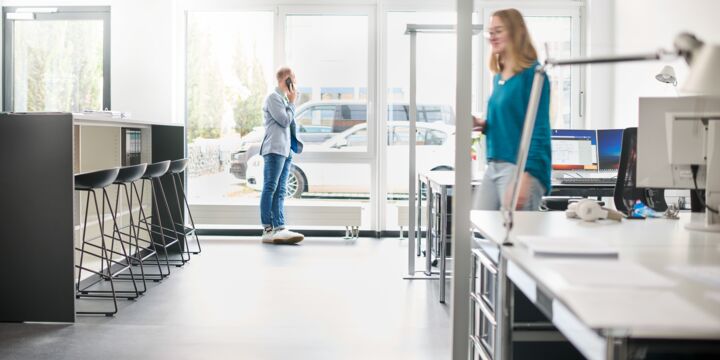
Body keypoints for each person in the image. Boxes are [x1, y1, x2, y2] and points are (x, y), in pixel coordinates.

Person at [473, 8, 552, 211]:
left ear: (516, 32)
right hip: (495, 164)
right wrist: (483, 125)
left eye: (498, 31)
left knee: (514, 237)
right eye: (491, 32)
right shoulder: (499, 77)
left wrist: (526, 177)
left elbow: (539, 128)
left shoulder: (534, 75)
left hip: (520, 167)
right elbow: (511, 121)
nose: (493, 37)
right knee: (481, 227)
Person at [259, 67, 305, 244]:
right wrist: (292, 103)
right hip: (274, 149)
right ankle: (267, 229)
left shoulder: (284, 99)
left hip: (285, 150)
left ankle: (279, 226)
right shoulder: (273, 98)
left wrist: (291, 102)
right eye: (292, 78)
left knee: (281, 190)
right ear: (285, 80)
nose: (295, 81)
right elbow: (284, 120)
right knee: (270, 188)